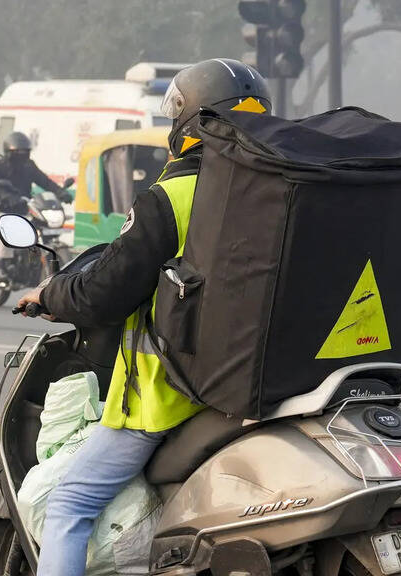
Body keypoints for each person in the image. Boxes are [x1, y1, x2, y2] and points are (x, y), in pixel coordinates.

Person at [15, 58, 271, 576]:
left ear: (192, 122)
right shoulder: (275, 193)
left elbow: (105, 293)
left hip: (172, 393)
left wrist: (50, 294)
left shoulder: (172, 196)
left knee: (68, 504)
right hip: (261, 382)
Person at [0, 132, 73, 211]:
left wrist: (60, 192)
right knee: (1, 222)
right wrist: (7, 197)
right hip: (0, 210)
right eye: (18, 152)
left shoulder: (28, 166)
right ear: (9, 152)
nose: (22, 155)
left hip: (24, 209)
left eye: (25, 152)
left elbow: (45, 181)